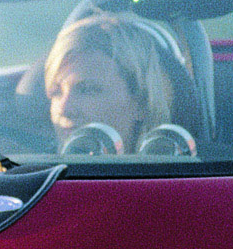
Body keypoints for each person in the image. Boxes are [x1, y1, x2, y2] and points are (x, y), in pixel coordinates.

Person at [43, 12, 178, 153]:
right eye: (56, 92)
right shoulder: (31, 169)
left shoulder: (184, 172)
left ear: (141, 103)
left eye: (88, 90)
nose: (65, 110)